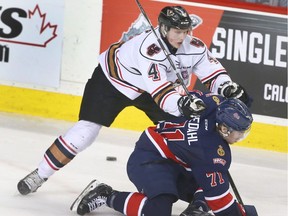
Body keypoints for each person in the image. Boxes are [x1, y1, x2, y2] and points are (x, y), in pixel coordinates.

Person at [17, 5, 251, 195]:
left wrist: (226, 86)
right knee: (85, 132)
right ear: (164, 28)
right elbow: (161, 93)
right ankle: (41, 173)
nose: (183, 36)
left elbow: (212, 72)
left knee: (187, 134)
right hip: (113, 82)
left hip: (152, 91)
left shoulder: (194, 46)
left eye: (185, 31)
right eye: (177, 32)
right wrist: (181, 104)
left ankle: (199, 189)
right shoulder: (148, 50)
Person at [72, 92, 257, 216]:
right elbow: (221, 203)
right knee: (159, 210)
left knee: (212, 177)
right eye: (238, 132)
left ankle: (197, 208)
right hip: (151, 157)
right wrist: (240, 213)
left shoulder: (213, 103)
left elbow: (193, 96)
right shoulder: (211, 153)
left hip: (180, 158)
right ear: (223, 128)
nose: (240, 136)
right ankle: (106, 195)